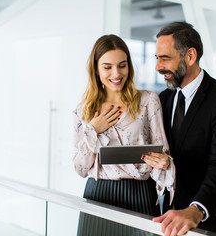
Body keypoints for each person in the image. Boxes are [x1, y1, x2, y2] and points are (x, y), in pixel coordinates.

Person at [143, 22, 216, 236]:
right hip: (171, 223)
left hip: (214, 223)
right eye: (157, 59)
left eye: (165, 58)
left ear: (190, 56)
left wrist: (196, 209)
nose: (158, 67)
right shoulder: (163, 99)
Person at [73, 34, 175, 235]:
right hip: (98, 195)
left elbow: (162, 155)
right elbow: (80, 168)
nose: (116, 73)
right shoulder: (83, 110)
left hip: (141, 195)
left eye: (122, 65)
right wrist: (93, 129)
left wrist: (165, 163)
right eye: (107, 67)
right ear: (96, 69)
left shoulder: (148, 101)